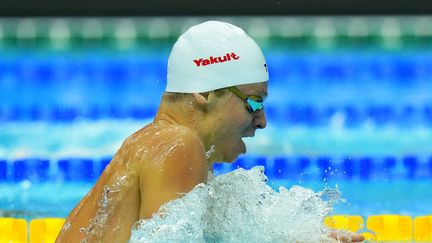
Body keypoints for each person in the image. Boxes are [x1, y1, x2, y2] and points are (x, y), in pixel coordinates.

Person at [56, 21, 364, 243]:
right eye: (254, 102)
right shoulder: (179, 145)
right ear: (203, 92)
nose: (262, 121)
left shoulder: (158, 143)